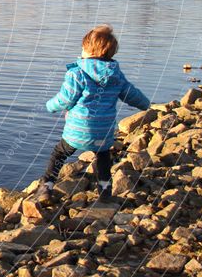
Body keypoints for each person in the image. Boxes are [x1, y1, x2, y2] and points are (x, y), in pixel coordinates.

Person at [35, 24, 150, 204]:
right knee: (103, 156)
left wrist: (50, 106)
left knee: (59, 154)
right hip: (103, 131)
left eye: (83, 48)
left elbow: (65, 99)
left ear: (88, 50)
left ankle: (46, 187)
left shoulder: (77, 73)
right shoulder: (116, 75)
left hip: (78, 129)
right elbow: (131, 94)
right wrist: (146, 105)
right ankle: (105, 191)